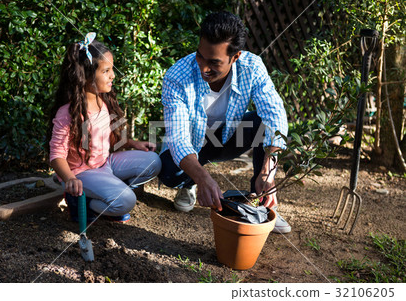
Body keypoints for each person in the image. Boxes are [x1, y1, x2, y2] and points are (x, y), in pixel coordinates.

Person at [158, 12, 291, 233]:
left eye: (214, 62)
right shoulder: (177, 77)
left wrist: (267, 173)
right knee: (169, 173)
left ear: (235, 56)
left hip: (226, 139)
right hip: (192, 144)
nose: (203, 68)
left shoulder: (253, 67)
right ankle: (189, 184)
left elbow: (275, 117)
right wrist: (202, 178)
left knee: (261, 122)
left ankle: (261, 203)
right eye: (200, 56)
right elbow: (179, 139)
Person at [49, 32, 161, 223]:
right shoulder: (67, 113)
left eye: (112, 69)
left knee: (153, 161)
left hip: (105, 163)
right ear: (85, 76)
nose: (113, 75)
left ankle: (109, 194)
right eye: (106, 71)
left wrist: (133, 143)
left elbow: (109, 137)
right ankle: (83, 203)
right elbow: (56, 156)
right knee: (126, 201)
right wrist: (69, 179)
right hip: (82, 173)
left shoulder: (103, 101)